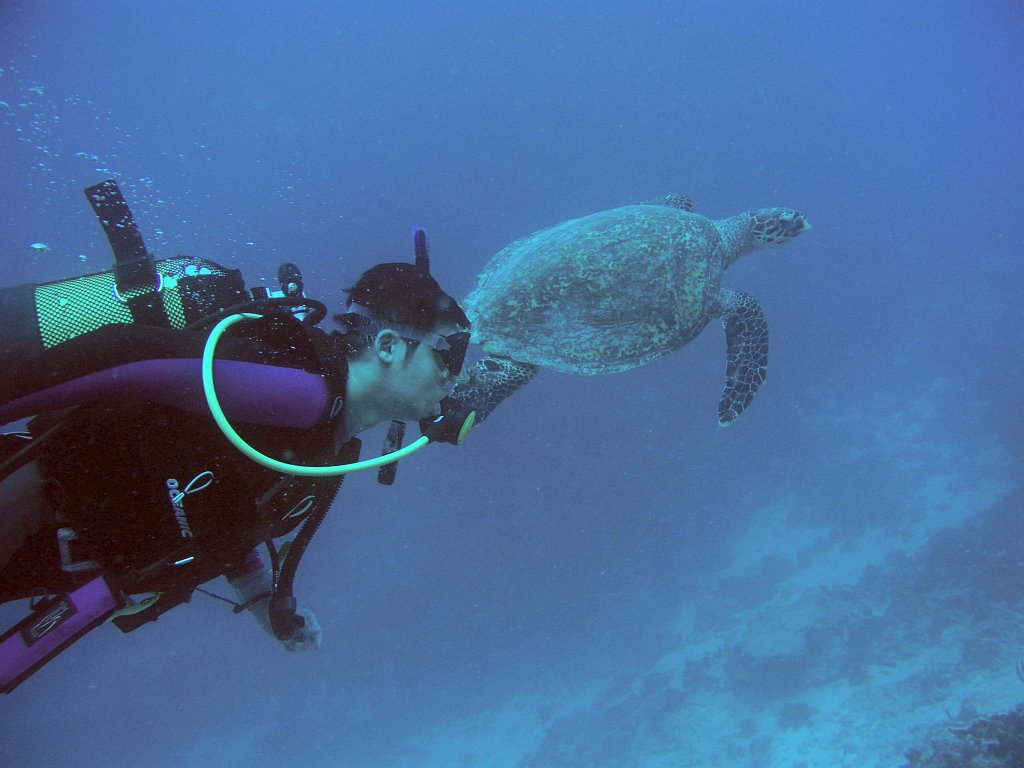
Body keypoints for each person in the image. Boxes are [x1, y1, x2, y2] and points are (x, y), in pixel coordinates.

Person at [0, 180, 472, 692]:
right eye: (444, 353)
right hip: (32, 506)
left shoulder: (332, 436)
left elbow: (221, 505)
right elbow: (127, 356)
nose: (453, 375)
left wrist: (259, 598)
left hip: (54, 554)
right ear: (388, 346)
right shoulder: (302, 394)